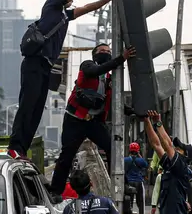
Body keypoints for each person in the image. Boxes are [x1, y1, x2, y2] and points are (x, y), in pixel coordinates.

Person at [8, 0, 116, 160]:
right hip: (34, 62)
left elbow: (88, 7)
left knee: (36, 109)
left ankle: (22, 150)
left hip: (45, 66)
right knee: (27, 105)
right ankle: (14, 147)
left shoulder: (65, 15)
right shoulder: (52, 4)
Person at [49, 43, 136, 195]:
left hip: (94, 122)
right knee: (66, 156)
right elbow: (97, 70)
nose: (106, 53)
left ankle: (122, 185)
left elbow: (116, 102)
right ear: (94, 55)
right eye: (102, 51)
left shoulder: (110, 79)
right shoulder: (87, 66)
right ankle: (55, 192)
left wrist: (134, 111)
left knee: (112, 148)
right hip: (75, 120)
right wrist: (122, 58)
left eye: (109, 51)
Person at [124, 142, 148, 214]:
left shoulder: (125, 160)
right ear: (138, 151)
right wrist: (140, 155)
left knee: (129, 203)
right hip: (139, 182)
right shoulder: (140, 161)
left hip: (129, 183)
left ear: (129, 150)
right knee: (141, 203)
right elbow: (146, 165)